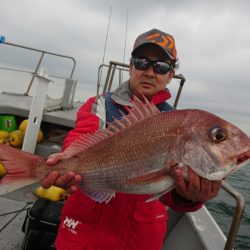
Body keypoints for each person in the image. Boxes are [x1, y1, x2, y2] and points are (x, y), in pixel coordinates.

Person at [42, 28, 222, 250]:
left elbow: (168, 192)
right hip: (83, 231)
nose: (149, 72)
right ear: (130, 66)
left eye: (161, 66)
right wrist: (66, 159)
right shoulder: (99, 105)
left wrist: (188, 197)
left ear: (170, 75)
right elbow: (80, 138)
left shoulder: (175, 123)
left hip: (139, 238)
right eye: (141, 62)